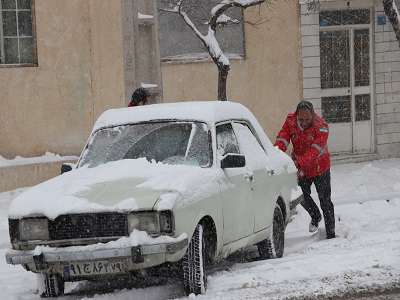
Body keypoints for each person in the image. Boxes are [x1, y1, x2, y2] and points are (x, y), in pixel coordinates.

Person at [274, 100, 335, 239]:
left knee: (325, 201)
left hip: (320, 168)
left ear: (313, 115)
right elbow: (283, 137)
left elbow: (315, 152)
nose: (303, 122)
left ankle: (331, 234)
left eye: (307, 119)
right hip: (302, 169)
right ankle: (315, 216)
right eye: (300, 119)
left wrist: (298, 163)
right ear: (296, 115)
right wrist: (276, 152)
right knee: (300, 196)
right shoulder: (290, 121)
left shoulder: (321, 127)